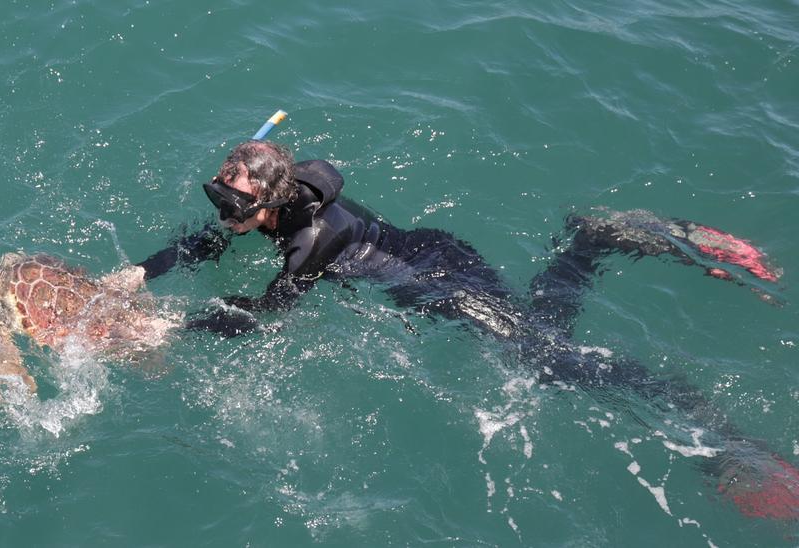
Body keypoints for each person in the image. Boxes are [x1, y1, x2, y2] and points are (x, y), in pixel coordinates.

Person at [137, 140, 797, 519]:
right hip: (432, 253)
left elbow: (269, 315)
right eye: (216, 195)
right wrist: (138, 274)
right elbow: (202, 245)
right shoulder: (279, 193)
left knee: (550, 360)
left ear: (272, 200)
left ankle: (726, 449)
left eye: (232, 203)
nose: (220, 210)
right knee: (544, 334)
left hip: (442, 287)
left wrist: (173, 327)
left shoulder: (313, 236)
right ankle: (591, 240)